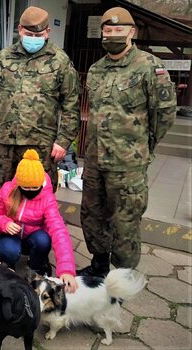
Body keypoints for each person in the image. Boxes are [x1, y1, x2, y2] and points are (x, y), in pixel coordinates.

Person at [77, 7, 177, 277]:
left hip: (128, 164)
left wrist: (144, 143)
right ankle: (98, 265)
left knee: (125, 222)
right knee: (92, 214)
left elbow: (165, 112)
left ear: (131, 32)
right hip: (96, 160)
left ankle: (123, 277)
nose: (112, 35)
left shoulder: (149, 66)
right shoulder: (97, 69)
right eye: (107, 31)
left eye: (118, 30)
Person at [0, 6, 80, 193]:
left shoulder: (60, 61)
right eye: (29, 33)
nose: (34, 38)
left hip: (41, 145)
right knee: (5, 193)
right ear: (20, 30)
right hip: (6, 144)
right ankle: (6, 223)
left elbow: (71, 105)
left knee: (39, 195)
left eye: (38, 35)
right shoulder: (4, 58)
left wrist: (63, 141)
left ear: (47, 32)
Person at [0, 149, 78, 293]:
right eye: (26, 188)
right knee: (9, 251)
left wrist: (66, 269)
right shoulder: (7, 190)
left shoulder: (47, 198)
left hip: (33, 237)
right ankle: (7, 267)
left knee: (43, 240)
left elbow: (59, 229)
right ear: (19, 184)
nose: (31, 191)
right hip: (11, 236)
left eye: (35, 187)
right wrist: (4, 223)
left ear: (41, 183)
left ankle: (36, 268)